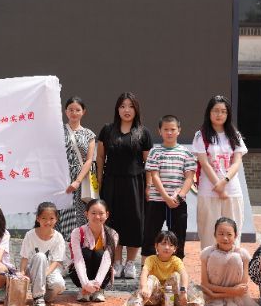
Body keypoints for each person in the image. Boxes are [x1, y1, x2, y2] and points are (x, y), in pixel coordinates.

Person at [97, 92, 153, 278]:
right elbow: (100, 157)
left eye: (130, 106)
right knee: (113, 221)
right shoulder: (107, 130)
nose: (126, 110)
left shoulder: (143, 132)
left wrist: (148, 186)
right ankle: (117, 262)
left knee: (134, 221)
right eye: (122, 106)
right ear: (117, 109)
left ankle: (130, 263)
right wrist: (99, 179)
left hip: (135, 183)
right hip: (111, 182)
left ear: (136, 109)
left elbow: (149, 162)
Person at [192, 95, 247, 249]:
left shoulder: (234, 135)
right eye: (216, 110)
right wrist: (218, 185)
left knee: (233, 234)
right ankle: (209, 264)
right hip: (208, 191)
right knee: (209, 233)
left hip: (232, 191)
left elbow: (236, 162)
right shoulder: (201, 135)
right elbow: (204, 163)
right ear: (209, 112)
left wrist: (224, 181)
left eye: (223, 111)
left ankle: (232, 264)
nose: (219, 114)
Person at [142, 115, 196, 261]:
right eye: (166, 129)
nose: (169, 132)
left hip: (177, 202)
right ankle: (146, 269)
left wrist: (179, 196)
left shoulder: (186, 153)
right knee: (150, 235)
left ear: (179, 130)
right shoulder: (154, 152)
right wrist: (166, 197)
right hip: (157, 200)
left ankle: (176, 270)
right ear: (160, 131)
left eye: (173, 129)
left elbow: (189, 178)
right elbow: (154, 176)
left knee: (178, 236)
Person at [126, 231, 209, 306]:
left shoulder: (176, 260)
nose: (167, 247)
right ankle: (138, 304)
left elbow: (184, 274)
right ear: (156, 246)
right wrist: (144, 287)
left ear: (175, 249)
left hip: (172, 297)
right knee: (151, 277)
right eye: (163, 244)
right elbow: (144, 274)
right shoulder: (151, 259)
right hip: (153, 296)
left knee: (178, 276)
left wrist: (183, 291)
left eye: (171, 245)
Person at [200, 217, 260, 306]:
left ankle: (228, 301)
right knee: (215, 256)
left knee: (235, 258)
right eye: (221, 234)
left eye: (229, 234)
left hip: (236, 297)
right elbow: (205, 284)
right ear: (215, 235)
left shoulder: (243, 254)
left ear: (235, 236)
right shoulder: (207, 253)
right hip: (212, 295)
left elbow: (242, 287)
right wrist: (232, 291)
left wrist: (220, 294)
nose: (225, 238)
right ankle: (218, 300)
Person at [58, 96, 96, 240]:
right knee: (61, 214)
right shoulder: (58, 131)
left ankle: (79, 248)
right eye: (71, 110)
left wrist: (77, 181)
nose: (74, 113)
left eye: (77, 110)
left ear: (83, 112)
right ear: (66, 111)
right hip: (61, 178)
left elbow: (89, 160)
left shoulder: (89, 134)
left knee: (79, 215)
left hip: (82, 179)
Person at [67, 198, 119, 303]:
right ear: (86, 214)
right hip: (80, 275)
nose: (97, 217)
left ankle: (99, 290)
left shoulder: (112, 234)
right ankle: (83, 290)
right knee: (85, 253)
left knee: (100, 254)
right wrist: (85, 284)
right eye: (93, 213)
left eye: (101, 213)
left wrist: (97, 283)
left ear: (107, 215)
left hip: (101, 278)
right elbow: (78, 259)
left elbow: (107, 260)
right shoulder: (77, 232)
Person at [19, 202, 66, 306]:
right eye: (44, 218)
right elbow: (25, 257)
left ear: (56, 219)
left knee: (59, 285)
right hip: (32, 270)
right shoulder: (30, 235)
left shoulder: (58, 237)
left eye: (51, 218)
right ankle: (38, 297)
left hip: (50, 271)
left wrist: (44, 275)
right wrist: (21, 272)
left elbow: (56, 261)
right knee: (40, 256)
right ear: (38, 218)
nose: (48, 222)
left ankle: (44, 297)